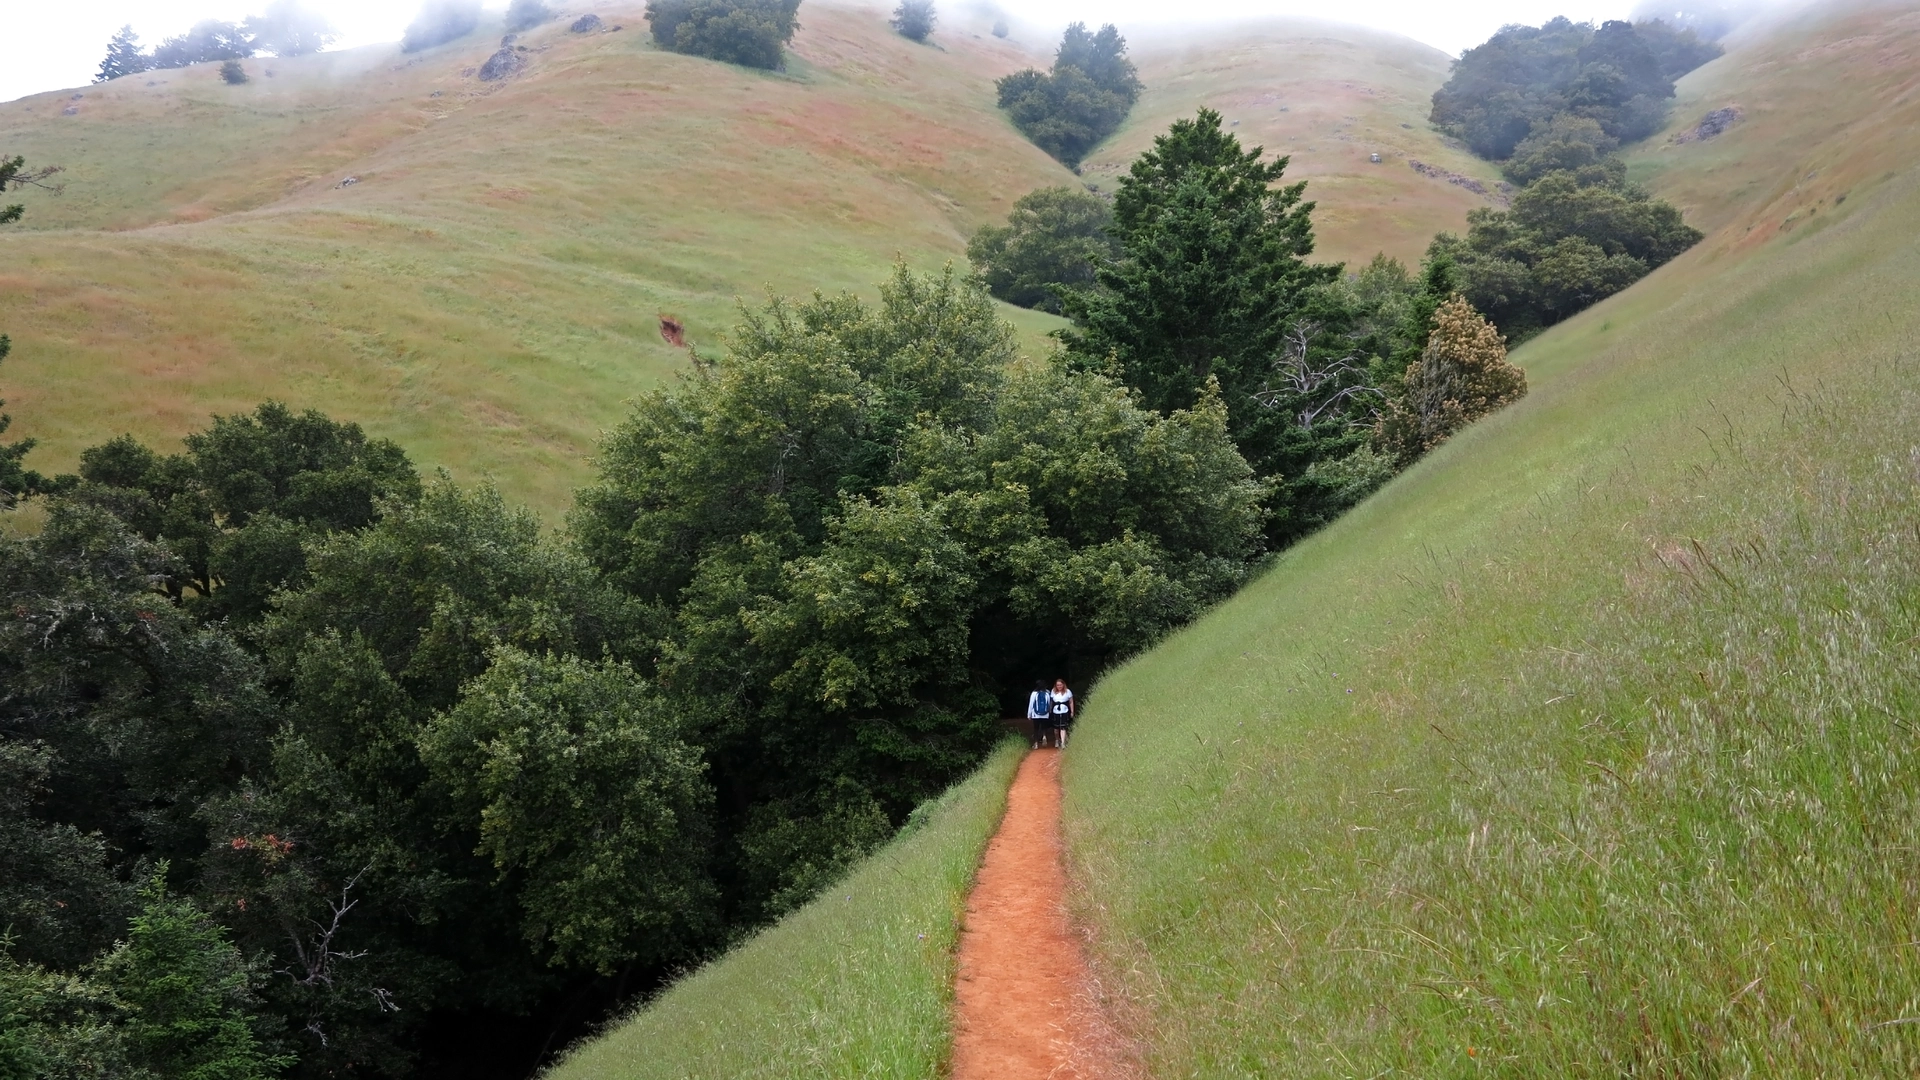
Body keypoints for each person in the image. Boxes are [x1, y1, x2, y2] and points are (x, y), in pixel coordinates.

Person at [1046, 677, 1075, 749]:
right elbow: (1051, 702)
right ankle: (1057, 739)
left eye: (1060, 685)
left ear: (1063, 685)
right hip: (1056, 712)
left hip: (1064, 711)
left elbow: (1071, 702)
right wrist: (1050, 710)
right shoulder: (1053, 691)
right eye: (1057, 685)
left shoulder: (1068, 691)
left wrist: (1072, 711)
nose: (1059, 686)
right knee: (1056, 729)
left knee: (1063, 727)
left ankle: (1063, 743)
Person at [1027, 679, 1052, 749]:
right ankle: (1044, 736)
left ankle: (1036, 744)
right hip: (1045, 714)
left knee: (1036, 728)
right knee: (1044, 727)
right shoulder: (1047, 692)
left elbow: (1031, 704)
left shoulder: (1034, 693)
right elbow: (1049, 703)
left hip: (1036, 714)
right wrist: (1049, 712)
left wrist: (1029, 714)